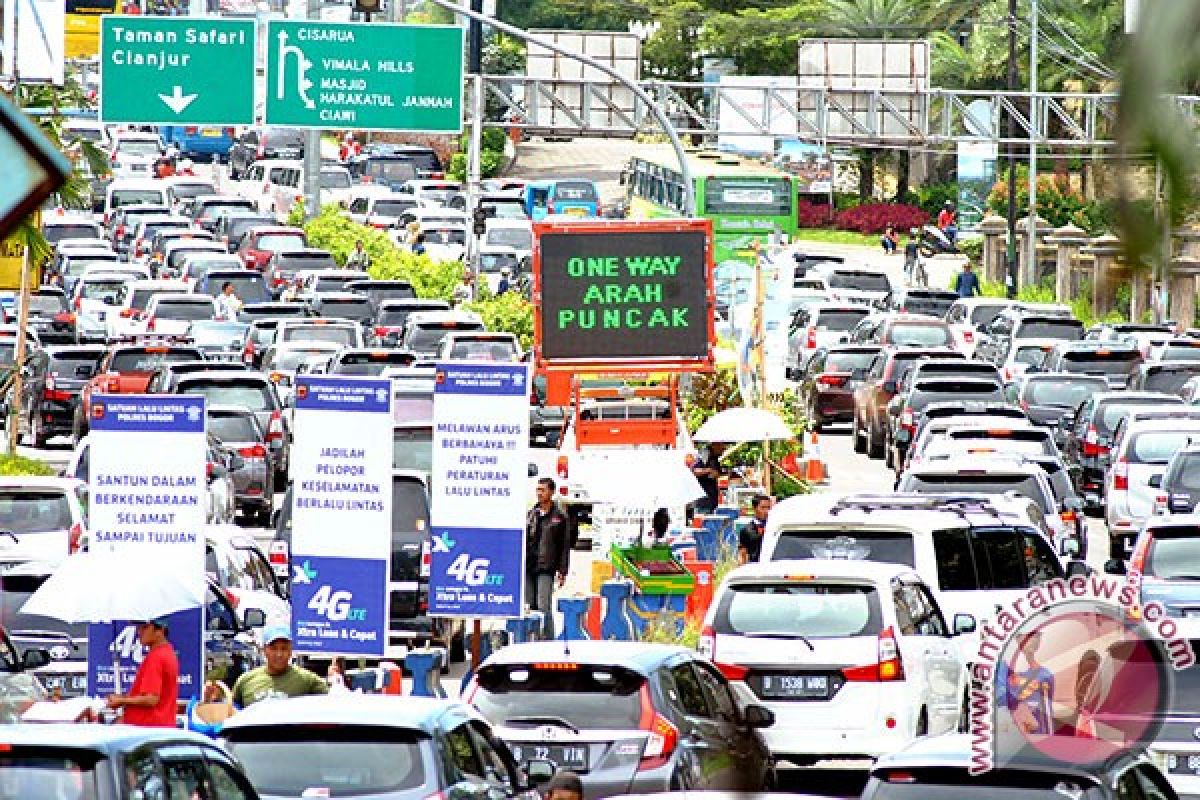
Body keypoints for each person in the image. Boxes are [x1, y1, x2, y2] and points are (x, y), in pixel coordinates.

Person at [230, 625, 328, 708]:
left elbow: (330, 703)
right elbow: (231, 711)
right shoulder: (245, 681)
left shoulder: (307, 680)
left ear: (290, 651)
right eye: (273, 648)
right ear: (264, 650)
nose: (279, 654)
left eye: (284, 648)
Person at [106, 618, 178, 727]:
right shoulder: (168, 652)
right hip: (161, 726)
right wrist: (123, 699)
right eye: (138, 627)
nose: (139, 632)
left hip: (146, 729)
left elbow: (151, 699)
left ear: (160, 630)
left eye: (145, 627)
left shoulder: (156, 657)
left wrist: (121, 700)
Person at [525, 477, 571, 640]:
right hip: (529, 566)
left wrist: (563, 570)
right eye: (538, 490)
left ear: (551, 492)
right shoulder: (531, 514)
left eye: (543, 490)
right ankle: (533, 639)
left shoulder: (560, 517)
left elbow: (564, 546)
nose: (539, 493)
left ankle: (548, 640)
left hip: (546, 566)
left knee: (544, 606)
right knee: (530, 607)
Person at [996, 630, 1055, 736]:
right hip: (1011, 735)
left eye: (1037, 636)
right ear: (1017, 638)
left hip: (1037, 735)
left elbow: (1047, 713)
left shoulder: (1046, 674)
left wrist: (1049, 739)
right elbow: (1000, 699)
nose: (1035, 639)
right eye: (1030, 635)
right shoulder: (1002, 667)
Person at [691, 442, 726, 514]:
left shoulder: (714, 457)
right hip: (703, 501)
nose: (724, 450)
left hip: (712, 499)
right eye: (722, 448)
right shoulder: (704, 454)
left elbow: (717, 474)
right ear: (715, 445)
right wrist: (709, 470)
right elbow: (694, 471)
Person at [738, 494, 773, 564]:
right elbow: (743, 554)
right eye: (763, 508)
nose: (766, 511)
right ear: (754, 508)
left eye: (768, 508)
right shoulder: (746, 530)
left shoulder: (774, 527)